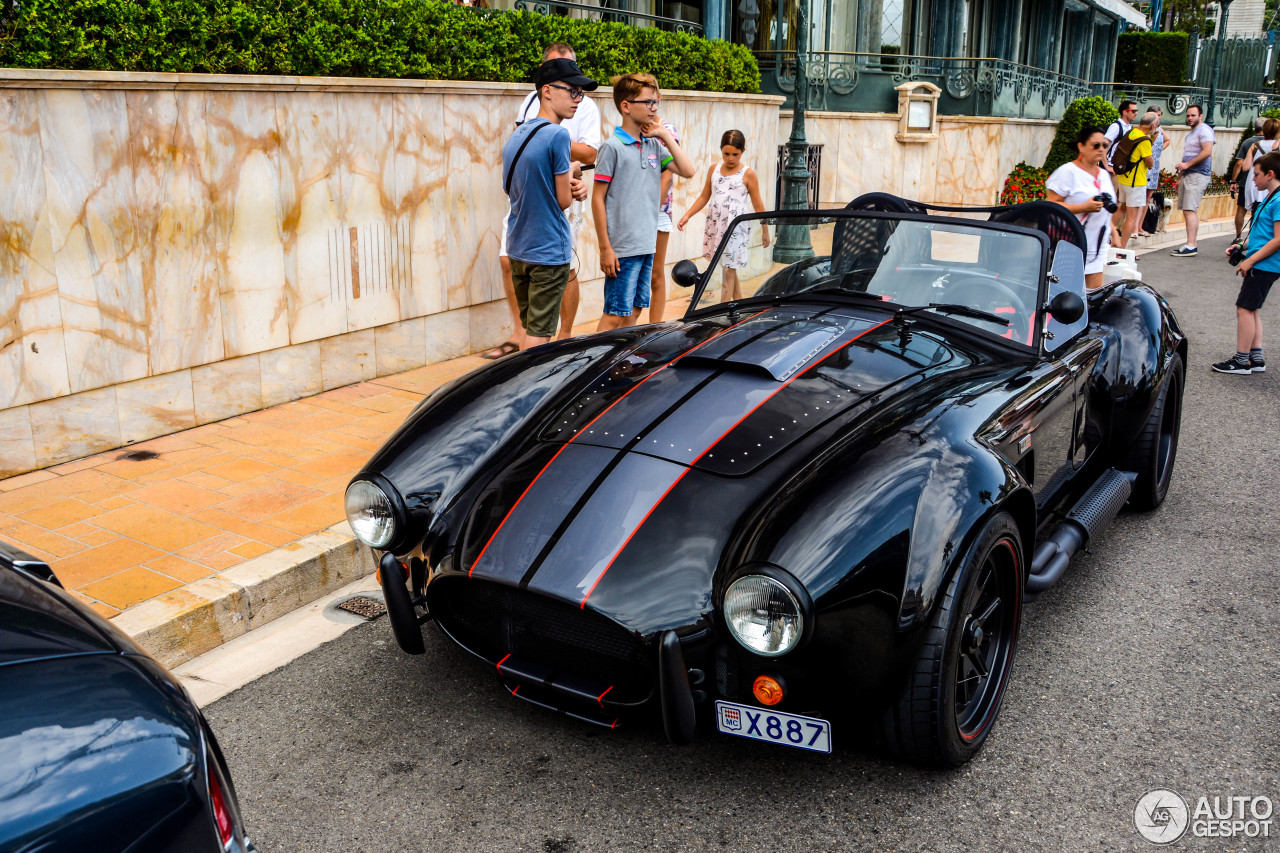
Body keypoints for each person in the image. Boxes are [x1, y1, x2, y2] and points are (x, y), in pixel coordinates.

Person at [485, 42, 602, 359]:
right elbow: (562, 200)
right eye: (572, 91)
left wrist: (568, 173)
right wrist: (571, 181)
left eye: (581, 93)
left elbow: (523, 186)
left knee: (527, 330)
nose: (578, 99)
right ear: (548, 91)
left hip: (519, 247)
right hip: (548, 251)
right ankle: (531, 397)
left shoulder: (517, 136)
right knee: (540, 340)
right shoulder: (559, 136)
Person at [592, 73, 696, 332]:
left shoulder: (653, 145)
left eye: (655, 103)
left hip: (646, 244)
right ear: (626, 106)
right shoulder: (612, 147)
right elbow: (597, 198)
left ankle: (621, 364)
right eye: (647, 102)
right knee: (615, 314)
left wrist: (663, 134)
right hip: (622, 249)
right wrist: (605, 248)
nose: (653, 108)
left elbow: (688, 170)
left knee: (634, 311)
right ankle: (593, 363)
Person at [677, 130, 770, 303]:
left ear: (742, 151)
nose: (731, 158)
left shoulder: (748, 174)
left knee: (728, 270)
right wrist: (687, 215)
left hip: (736, 228)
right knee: (729, 268)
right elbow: (705, 196)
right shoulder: (714, 169)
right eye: (726, 153)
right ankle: (740, 305)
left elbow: (758, 205)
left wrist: (765, 230)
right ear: (721, 150)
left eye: (735, 154)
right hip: (716, 225)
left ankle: (722, 311)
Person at [1213, 151, 1280, 374]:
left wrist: (1249, 260)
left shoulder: (1278, 200)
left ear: (1270, 174)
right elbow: (1263, 233)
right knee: (1252, 309)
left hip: (1265, 264)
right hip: (1264, 262)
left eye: (1257, 174)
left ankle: (1241, 361)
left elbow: (1278, 239)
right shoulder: (1271, 198)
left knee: (1244, 308)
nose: (1253, 179)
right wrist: (1242, 246)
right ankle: (1256, 358)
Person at [1045, 125, 1122, 291]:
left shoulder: (1103, 175)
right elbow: (1050, 205)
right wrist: (1082, 207)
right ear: (1081, 146)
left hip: (1098, 244)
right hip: (1071, 245)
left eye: (1104, 146)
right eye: (1096, 145)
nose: (1101, 149)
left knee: (1093, 295)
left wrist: (1114, 233)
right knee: (1066, 294)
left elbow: (1105, 210)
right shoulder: (1067, 172)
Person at [1171, 104, 1215, 258]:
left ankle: (1191, 245)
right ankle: (1191, 244)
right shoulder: (1191, 134)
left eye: (1193, 115)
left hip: (1198, 174)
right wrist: (1179, 178)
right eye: (1188, 115)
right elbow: (1186, 157)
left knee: (1190, 209)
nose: (1190, 118)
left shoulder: (1204, 130)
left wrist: (1188, 165)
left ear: (1200, 116)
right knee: (1189, 210)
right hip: (1188, 175)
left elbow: (1207, 151)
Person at [650, 120, 680, 324]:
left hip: (658, 211)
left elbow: (668, 176)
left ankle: (654, 326)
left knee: (655, 274)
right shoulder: (633, 128)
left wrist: (650, 214)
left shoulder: (667, 130)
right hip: (635, 213)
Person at [1115, 113, 1157, 248]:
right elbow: (1149, 163)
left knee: (1122, 209)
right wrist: (1151, 141)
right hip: (1135, 182)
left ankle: (1105, 237)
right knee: (1131, 217)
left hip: (1123, 178)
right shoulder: (1144, 141)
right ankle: (1121, 248)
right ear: (1152, 125)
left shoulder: (1132, 132)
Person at [1104, 101, 1138, 228]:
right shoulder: (1116, 126)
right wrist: (1106, 164)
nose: (1136, 113)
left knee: (1119, 201)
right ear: (1125, 112)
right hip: (1113, 168)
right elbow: (1104, 145)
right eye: (1133, 111)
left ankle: (1111, 229)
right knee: (1111, 200)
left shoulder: (1129, 128)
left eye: (1136, 111)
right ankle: (1106, 230)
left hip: (1121, 169)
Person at [1230, 117, 1265, 240]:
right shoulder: (1274, 143)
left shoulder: (1247, 142)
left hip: (1246, 182)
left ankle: (1238, 236)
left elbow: (1239, 164)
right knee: (1257, 210)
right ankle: (1251, 237)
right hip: (1263, 183)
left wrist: (1233, 181)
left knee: (1241, 209)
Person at [1239, 118, 1279, 211]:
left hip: (1255, 185)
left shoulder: (1255, 145)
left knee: (1256, 214)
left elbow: (1245, 167)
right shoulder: (1278, 145)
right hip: (1271, 185)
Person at [1144, 106, 1169, 233]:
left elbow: (1168, 140)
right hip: (1145, 165)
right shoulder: (1146, 129)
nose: (1157, 117)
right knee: (1142, 196)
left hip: (1155, 166)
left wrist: (1159, 150)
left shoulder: (1160, 129)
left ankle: (1142, 225)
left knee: (1149, 196)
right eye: (1155, 114)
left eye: (1159, 115)